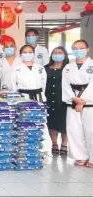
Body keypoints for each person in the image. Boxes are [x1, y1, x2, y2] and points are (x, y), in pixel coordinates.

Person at [62, 40, 93, 168]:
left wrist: (83, 99)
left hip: (89, 102)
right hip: (73, 102)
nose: (78, 50)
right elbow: (65, 85)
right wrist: (74, 99)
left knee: (91, 130)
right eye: (75, 48)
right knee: (74, 130)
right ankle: (81, 156)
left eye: (81, 48)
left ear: (88, 49)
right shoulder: (68, 67)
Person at [45, 46, 69, 155]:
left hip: (64, 99)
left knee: (64, 123)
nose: (57, 54)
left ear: (64, 55)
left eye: (60, 52)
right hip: (49, 98)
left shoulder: (68, 68)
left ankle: (64, 143)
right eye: (55, 52)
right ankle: (54, 143)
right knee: (51, 122)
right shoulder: (45, 68)